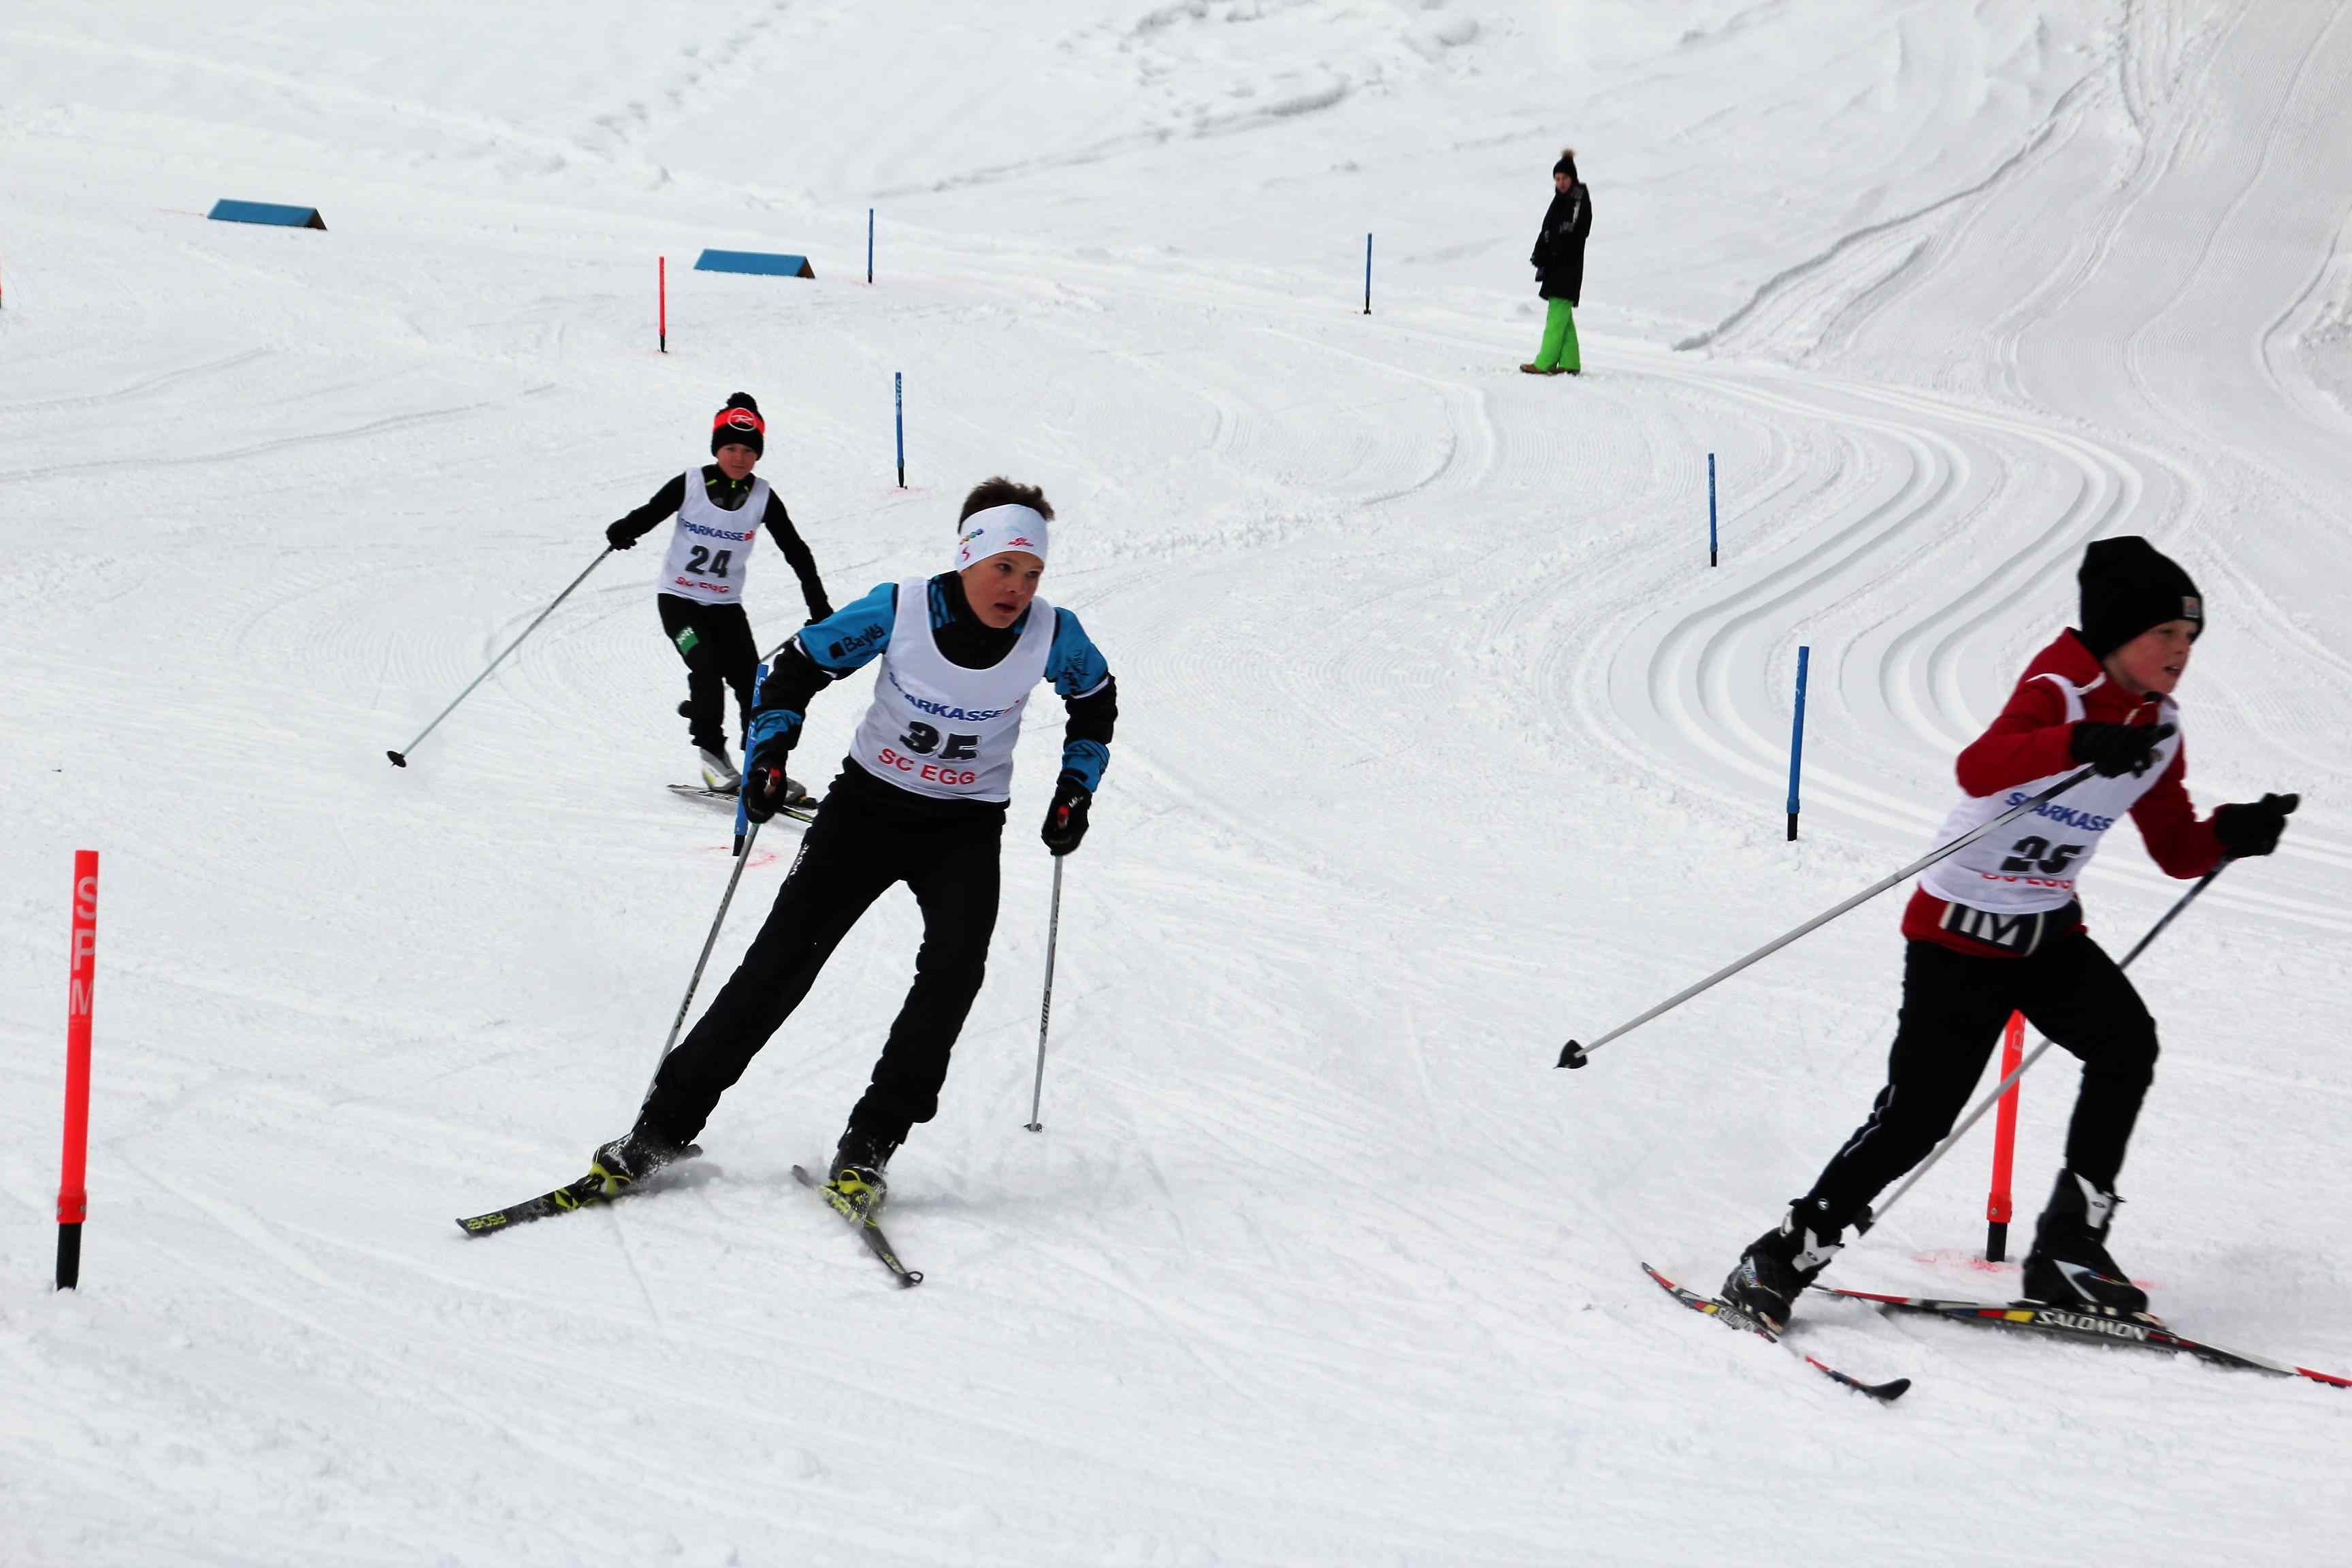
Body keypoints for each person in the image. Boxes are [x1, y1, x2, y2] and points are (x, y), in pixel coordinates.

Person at [1721, 537, 2298, 1330]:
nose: (2180, 651)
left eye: (2191, 638)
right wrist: (2078, 743)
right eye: (2165, 632)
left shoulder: (2161, 728)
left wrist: (2234, 832)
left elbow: (2176, 850)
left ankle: (2068, 1252)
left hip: (2046, 937)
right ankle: (1781, 1257)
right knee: (1917, 1119)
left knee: (2127, 1047)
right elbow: (1980, 767)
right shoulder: (2060, 688)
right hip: (1956, 936)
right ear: (2117, 631)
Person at [587, 476, 1117, 1213]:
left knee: (953, 975)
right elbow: (794, 669)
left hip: (965, 826)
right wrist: (769, 755)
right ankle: (660, 1131)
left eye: (1032, 573)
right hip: (867, 811)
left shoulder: (1053, 633)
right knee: (778, 967)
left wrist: (1075, 790)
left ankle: (871, 1142)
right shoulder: (902, 609)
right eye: (1005, 567)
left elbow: (1094, 700)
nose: (1018, 589)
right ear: (969, 556)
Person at [602, 393, 833, 791]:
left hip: (725, 607)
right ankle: (712, 758)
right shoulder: (691, 483)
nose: (739, 458)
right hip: (679, 602)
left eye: (748, 451)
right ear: (717, 449)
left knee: (752, 683)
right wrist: (624, 530)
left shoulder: (763, 497)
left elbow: (795, 550)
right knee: (706, 669)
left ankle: (761, 764)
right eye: (731, 448)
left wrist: (819, 604)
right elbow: (651, 513)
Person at [1522, 148, 1591, 376]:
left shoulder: (1578, 199)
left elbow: (1577, 230)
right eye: (1557, 179)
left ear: (1573, 178)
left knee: (1556, 317)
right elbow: (1548, 229)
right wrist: (1541, 252)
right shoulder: (1560, 200)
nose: (1560, 183)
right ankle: (1571, 362)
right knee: (1563, 317)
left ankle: (1545, 362)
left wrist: (1556, 244)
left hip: (1568, 267)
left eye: (1564, 178)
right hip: (1557, 266)